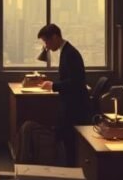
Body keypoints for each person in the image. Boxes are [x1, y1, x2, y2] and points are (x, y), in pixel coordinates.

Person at [38, 23, 91, 166]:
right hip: (71, 103)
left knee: (70, 142)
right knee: (66, 141)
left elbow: (76, 82)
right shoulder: (67, 52)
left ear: (55, 37)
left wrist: (53, 86)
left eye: (47, 41)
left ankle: (71, 175)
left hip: (74, 107)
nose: (47, 47)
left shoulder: (70, 54)